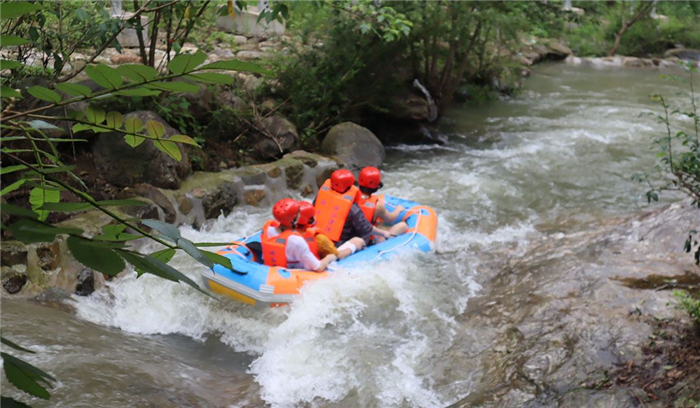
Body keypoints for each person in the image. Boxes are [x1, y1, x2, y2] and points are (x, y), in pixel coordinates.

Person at [260, 198, 336, 272]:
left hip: (271, 269)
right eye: (298, 212)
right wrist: (329, 257)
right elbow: (318, 267)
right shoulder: (296, 241)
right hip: (293, 274)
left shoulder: (267, 230)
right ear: (293, 219)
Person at [314, 169, 373, 254]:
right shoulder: (352, 208)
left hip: (318, 241)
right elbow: (366, 230)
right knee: (364, 239)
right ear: (350, 187)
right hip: (338, 246)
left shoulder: (319, 197)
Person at [356, 166, 409, 243]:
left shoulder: (350, 197)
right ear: (377, 185)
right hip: (367, 239)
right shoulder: (378, 205)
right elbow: (390, 219)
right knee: (403, 226)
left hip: (349, 235)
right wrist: (398, 209)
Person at [296, 201, 364, 260]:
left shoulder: (289, 233)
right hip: (317, 264)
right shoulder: (319, 239)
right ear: (310, 220)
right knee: (357, 241)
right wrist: (353, 247)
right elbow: (337, 256)